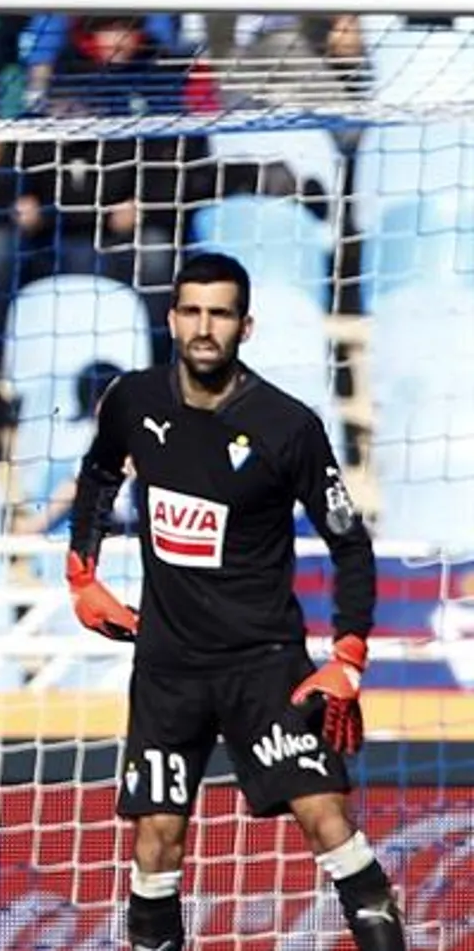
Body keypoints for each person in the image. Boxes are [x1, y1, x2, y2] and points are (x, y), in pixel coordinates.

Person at [65, 253, 405, 951]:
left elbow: (350, 542)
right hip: (167, 667)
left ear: (244, 325)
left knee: (325, 820)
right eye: (191, 311)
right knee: (157, 840)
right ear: (171, 319)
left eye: (220, 313)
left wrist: (349, 653)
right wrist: (82, 573)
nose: (204, 327)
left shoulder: (289, 425)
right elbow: (98, 476)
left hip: (264, 664)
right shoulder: (132, 401)